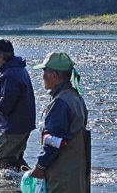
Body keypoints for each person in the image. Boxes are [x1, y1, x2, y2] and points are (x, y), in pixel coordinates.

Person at [27, 52, 90, 192]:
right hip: (76, 175)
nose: (42, 77)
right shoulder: (76, 97)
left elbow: (53, 141)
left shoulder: (60, 103)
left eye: (44, 72)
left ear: (54, 76)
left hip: (62, 177)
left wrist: (40, 167)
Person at [0, 36, 35, 171]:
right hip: (24, 124)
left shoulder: (9, 74)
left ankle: (9, 186)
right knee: (16, 158)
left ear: (0, 56)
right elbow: (14, 96)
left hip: (15, 127)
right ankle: (29, 182)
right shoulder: (18, 68)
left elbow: (6, 106)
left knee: (2, 158)